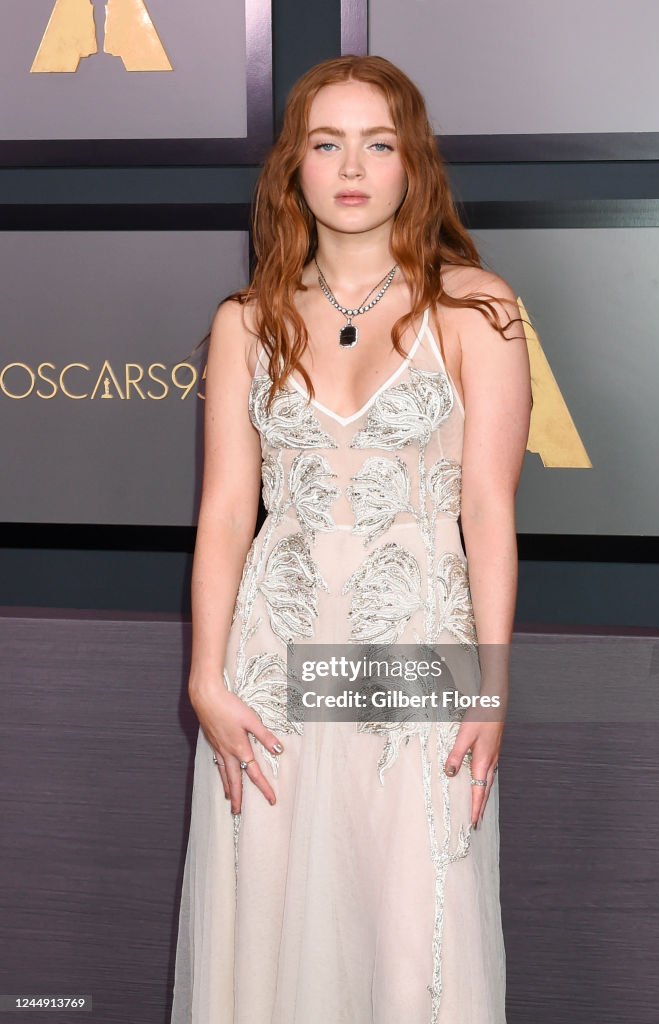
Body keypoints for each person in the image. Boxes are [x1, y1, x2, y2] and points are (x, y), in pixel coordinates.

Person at [170, 54, 532, 1024]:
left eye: (379, 142)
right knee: (273, 927)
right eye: (327, 142)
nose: (353, 165)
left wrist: (489, 685)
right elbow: (222, 513)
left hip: (414, 666)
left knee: (413, 935)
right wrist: (207, 676)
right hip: (270, 668)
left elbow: (489, 509)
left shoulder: (475, 309)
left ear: (414, 164)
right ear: (294, 166)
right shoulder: (247, 322)